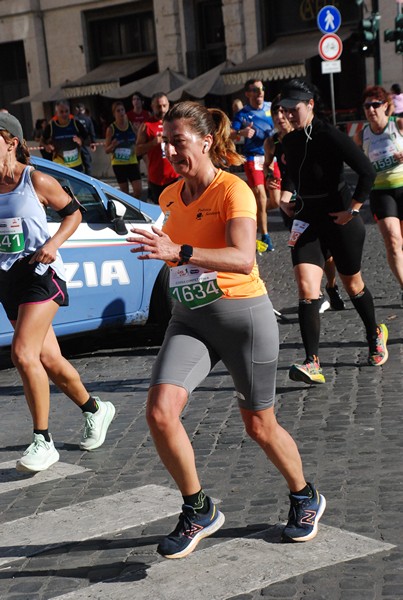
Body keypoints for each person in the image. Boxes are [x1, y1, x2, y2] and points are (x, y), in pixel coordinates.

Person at [127, 100, 326, 559]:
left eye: (178, 141)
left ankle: (304, 495)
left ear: (204, 141)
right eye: (166, 142)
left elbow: (242, 258)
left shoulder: (231, 189)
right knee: (160, 412)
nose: (171, 150)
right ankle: (198, 508)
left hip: (242, 319)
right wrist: (164, 254)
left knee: (259, 425)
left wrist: (179, 252)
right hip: (190, 319)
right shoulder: (168, 197)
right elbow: (173, 252)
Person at [0, 113, 115, 473]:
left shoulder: (34, 180)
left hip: (41, 271)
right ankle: (96, 409)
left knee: (22, 353)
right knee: (48, 359)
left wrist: (53, 243)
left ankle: (43, 440)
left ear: (11, 142)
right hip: (8, 278)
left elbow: (74, 214)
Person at [279, 79, 387, 385]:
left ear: (310, 105)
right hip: (307, 219)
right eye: (284, 110)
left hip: (340, 219)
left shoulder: (330, 135)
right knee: (305, 286)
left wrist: (352, 210)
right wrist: (285, 197)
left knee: (353, 286)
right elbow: (290, 176)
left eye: (294, 109)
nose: (288, 115)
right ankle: (312, 362)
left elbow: (367, 171)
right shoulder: (288, 140)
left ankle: (374, 333)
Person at [263, 96, 345, 313]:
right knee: (301, 248)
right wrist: (269, 177)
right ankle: (314, 293)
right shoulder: (273, 142)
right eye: (275, 113)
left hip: (316, 199)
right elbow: (267, 166)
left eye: (283, 112)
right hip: (289, 203)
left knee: (326, 251)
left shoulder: (305, 137)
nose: (280, 117)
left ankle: (331, 285)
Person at [354, 85, 403, 307]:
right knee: (393, 241)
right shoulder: (361, 134)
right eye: (367, 106)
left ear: (385, 106)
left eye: (375, 104)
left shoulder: (398, 125)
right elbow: (355, 161)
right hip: (381, 192)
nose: (371, 109)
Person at [231, 79, 275, 251]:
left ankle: (250, 215)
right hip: (253, 159)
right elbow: (230, 134)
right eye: (256, 90)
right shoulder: (242, 114)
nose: (260, 93)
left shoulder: (272, 107)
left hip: (271, 158)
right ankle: (265, 237)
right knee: (262, 197)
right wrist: (241, 132)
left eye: (262, 89)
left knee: (277, 201)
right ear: (248, 94)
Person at [135, 92, 179, 204]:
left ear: (169, 105)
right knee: (160, 211)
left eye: (164, 106)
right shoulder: (147, 126)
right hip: (156, 179)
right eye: (158, 106)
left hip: (175, 175)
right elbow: (137, 150)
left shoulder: (176, 123)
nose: (162, 109)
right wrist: (153, 143)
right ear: (152, 107)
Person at [104, 101, 142, 198]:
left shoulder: (131, 125)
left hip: (132, 162)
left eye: (122, 110)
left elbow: (138, 141)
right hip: (119, 164)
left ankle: (137, 209)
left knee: (138, 190)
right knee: (125, 193)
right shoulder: (111, 129)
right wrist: (112, 145)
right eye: (118, 111)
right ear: (114, 114)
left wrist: (135, 145)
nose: (121, 113)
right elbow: (106, 150)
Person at [41, 100, 86, 171]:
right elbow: (42, 141)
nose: (64, 114)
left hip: (76, 165)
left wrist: (81, 140)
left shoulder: (76, 124)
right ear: (56, 113)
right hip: (59, 166)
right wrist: (46, 146)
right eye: (61, 112)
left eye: (66, 111)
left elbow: (88, 139)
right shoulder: (51, 126)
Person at [74, 103, 97, 176]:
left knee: (76, 164)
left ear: (77, 110)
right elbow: (92, 132)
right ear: (84, 110)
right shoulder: (88, 119)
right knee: (87, 163)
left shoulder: (74, 119)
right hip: (85, 144)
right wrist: (93, 142)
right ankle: (88, 179)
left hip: (75, 145)